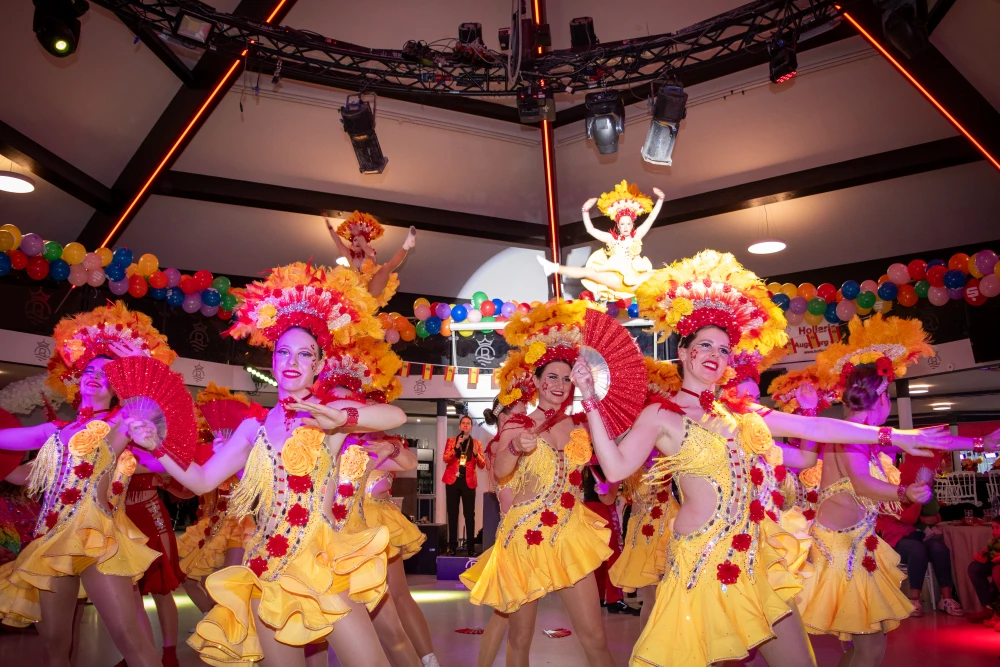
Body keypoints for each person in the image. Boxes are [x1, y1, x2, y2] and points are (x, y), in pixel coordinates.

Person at [575, 250, 983, 667]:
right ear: (683, 351)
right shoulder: (661, 415)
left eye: (724, 348)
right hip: (702, 561)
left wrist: (896, 434)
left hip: (756, 558)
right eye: (705, 345)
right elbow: (616, 467)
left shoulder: (742, 412)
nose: (716, 354)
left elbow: (817, 429)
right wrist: (589, 399)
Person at [133, 262, 406, 667]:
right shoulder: (253, 428)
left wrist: (343, 418)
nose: (292, 360)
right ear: (273, 361)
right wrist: (157, 446)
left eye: (305, 353)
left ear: (318, 365)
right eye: (283, 352)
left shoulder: (327, 415)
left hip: (321, 562)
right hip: (267, 564)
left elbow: (395, 416)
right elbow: (203, 479)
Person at [798, 314, 990, 666]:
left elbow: (929, 439)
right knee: (870, 647)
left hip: (856, 545)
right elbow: (861, 482)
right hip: (841, 551)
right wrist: (905, 494)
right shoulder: (851, 436)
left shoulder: (864, 434)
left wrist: (981, 443)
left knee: (865, 646)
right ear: (882, 398)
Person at [0, 302, 176, 667]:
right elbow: (10, 452)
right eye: (90, 370)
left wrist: (137, 369)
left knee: (130, 638)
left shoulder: (123, 423)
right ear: (77, 379)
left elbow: (146, 410)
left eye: (107, 373)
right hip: (52, 540)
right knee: (55, 645)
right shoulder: (55, 431)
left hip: (98, 538)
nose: (95, 375)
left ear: (116, 388)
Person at [461, 300, 618, 667]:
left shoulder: (581, 426)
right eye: (552, 377)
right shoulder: (518, 424)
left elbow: (608, 470)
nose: (560, 385)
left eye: (566, 378)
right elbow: (501, 471)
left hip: (571, 534)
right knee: (519, 638)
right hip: (526, 537)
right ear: (535, 381)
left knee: (595, 637)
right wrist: (516, 446)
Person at [311, 338, 435, 667]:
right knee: (313, 637)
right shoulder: (306, 443)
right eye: (333, 403)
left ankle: (428, 659)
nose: (340, 411)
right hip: (316, 548)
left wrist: (390, 448)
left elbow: (408, 460)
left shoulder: (367, 446)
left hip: (361, 542)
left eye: (347, 405)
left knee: (392, 628)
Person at [608, 358, 681, 629]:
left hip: (670, 519)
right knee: (651, 595)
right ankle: (649, 646)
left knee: (670, 592)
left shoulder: (665, 429)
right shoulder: (626, 436)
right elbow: (615, 456)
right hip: (641, 524)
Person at [537, 181, 664, 302]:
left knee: (663, 275)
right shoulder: (612, 239)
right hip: (617, 280)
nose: (625, 227)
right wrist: (585, 210)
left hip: (636, 281)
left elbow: (651, 217)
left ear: (632, 224)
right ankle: (553, 267)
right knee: (589, 272)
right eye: (622, 224)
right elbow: (590, 229)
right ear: (618, 226)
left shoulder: (637, 235)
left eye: (628, 223)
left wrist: (660, 199)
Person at [878, 487, 962, 617]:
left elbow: (934, 512)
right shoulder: (889, 490)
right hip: (896, 538)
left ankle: (946, 599)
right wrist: (921, 509)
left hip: (921, 535)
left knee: (939, 549)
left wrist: (934, 515)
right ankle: (914, 600)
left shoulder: (920, 488)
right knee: (917, 549)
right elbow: (908, 517)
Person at [326, 211, 416, 306]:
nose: (357, 242)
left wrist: (360, 236)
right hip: (351, 293)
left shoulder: (369, 255)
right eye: (355, 240)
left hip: (370, 292)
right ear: (352, 243)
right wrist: (328, 225)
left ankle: (407, 244)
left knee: (386, 268)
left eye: (359, 240)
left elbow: (366, 248)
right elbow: (338, 242)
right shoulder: (347, 255)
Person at [442, 415, 485, 556]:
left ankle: (471, 548)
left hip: (468, 482)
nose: (465, 425)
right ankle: (452, 547)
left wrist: (476, 455)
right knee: (452, 514)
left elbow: (482, 464)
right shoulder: (451, 441)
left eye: (468, 423)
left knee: (469, 515)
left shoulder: (477, 443)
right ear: (459, 426)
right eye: (463, 423)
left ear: (471, 427)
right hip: (452, 480)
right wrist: (455, 448)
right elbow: (445, 458)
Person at [967, 517, 1000, 625]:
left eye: (997, 528)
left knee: (997, 571)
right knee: (974, 568)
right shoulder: (994, 542)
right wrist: (982, 555)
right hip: (995, 560)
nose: (994, 531)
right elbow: (988, 551)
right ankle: (989, 607)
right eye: (993, 528)